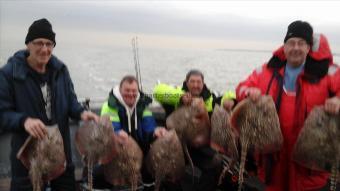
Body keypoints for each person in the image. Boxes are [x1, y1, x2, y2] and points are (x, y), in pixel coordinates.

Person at [236, 20, 340, 191]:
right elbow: (241, 87)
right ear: (284, 47)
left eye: (301, 43)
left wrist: (337, 100)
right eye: (291, 43)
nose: (296, 48)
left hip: (310, 163)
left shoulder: (328, 72)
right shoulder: (266, 71)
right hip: (272, 159)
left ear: (308, 48)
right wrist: (248, 93)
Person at [0, 18, 99, 191]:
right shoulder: (9, 74)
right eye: (39, 43)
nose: (44, 49)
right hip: (28, 158)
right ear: (28, 45)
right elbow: (2, 112)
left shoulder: (61, 71)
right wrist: (24, 121)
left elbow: (71, 101)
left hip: (60, 153)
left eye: (49, 44)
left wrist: (82, 113)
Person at [153, 69, 236, 191]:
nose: (196, 85)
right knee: (167, 167)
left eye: (199, 82)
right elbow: (157, 91)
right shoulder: (176, 94)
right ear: (186, 83)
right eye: (192, 81)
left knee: (217, 162)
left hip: (199, 144)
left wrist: (230, 99)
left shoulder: (210, 99)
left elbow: (226, 97)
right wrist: (180, 97)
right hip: (177, 143)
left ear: (203, 84)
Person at [99, 75, 167, 190]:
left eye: (134, 91)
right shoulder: (109, 106)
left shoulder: (143, 105)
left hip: (139, 151)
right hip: (118, 151)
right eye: (127, 90)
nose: (131, 94)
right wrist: (117, 133)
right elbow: (109, 129)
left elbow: (148, 127)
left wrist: (155, 131)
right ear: (120, 91)